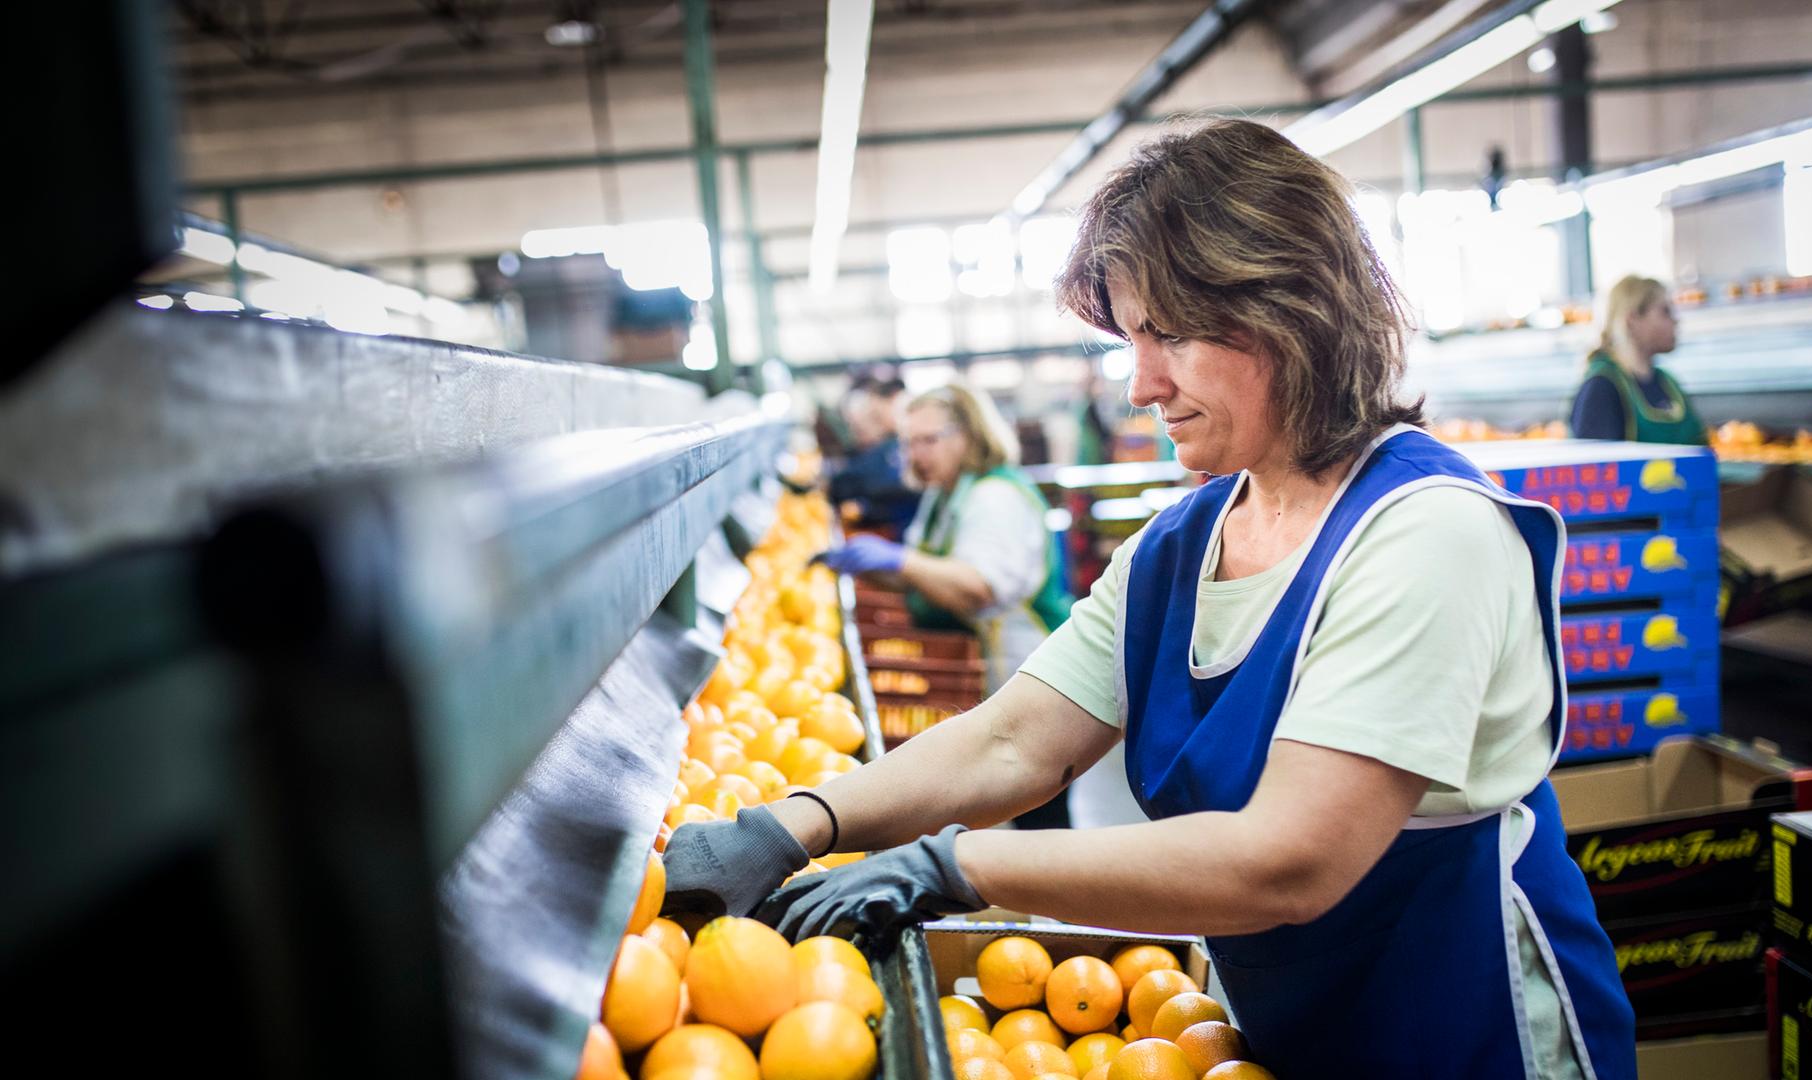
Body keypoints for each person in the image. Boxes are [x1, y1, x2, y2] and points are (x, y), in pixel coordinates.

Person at [663, 119, 1634, 1079]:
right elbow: (1018, 740)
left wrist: (958, 868)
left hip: (1470, 1037)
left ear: (1287, 311)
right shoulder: (1184, 543)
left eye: (1165, 335)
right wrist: (792, 824)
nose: (1140, 384)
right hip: (1289, 1033)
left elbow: (1288, 859)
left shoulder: (1425, 535)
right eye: (1132, 339)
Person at [820, 383, 1077, 828]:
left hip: (1032, 665)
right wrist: (868, 566)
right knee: (1016, 801)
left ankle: (1063, 896)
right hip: (993, 668)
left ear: (969, 436)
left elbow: (976, 587)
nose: (916, 454)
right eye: (907, 442)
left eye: (928, 440)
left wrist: (899, 559)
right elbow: (928, 574)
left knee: (1041, 807)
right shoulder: (946, 493)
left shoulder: (993, 497)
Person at [1569, 275, 1707, 444]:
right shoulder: (1602, 387)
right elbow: (1597, 465)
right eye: (1665, 311)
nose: (1676, 321)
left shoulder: (1668, 383)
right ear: (1632, 320)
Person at [826, 378, 919, 535]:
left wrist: (866, 508)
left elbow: (899, 487)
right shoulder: (890, 444)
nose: (878, 423)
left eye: (877, 416)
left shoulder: (901, 444)